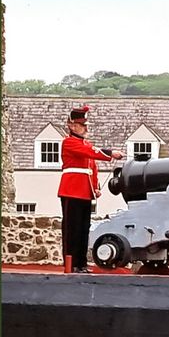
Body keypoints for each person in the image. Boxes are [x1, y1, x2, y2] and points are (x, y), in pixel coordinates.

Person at [58, 106, 124, 273]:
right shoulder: (69, 142)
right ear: (72, 125)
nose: (86, 128)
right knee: (72, 229)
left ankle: (80, 263)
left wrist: (95, 187)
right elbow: (91, 153)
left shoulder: (85, 144)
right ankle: (70, 263)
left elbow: (92, 167)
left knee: (83, 229)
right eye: (82, 125)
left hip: (84, 191)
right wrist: (110, 153)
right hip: (71, 189)